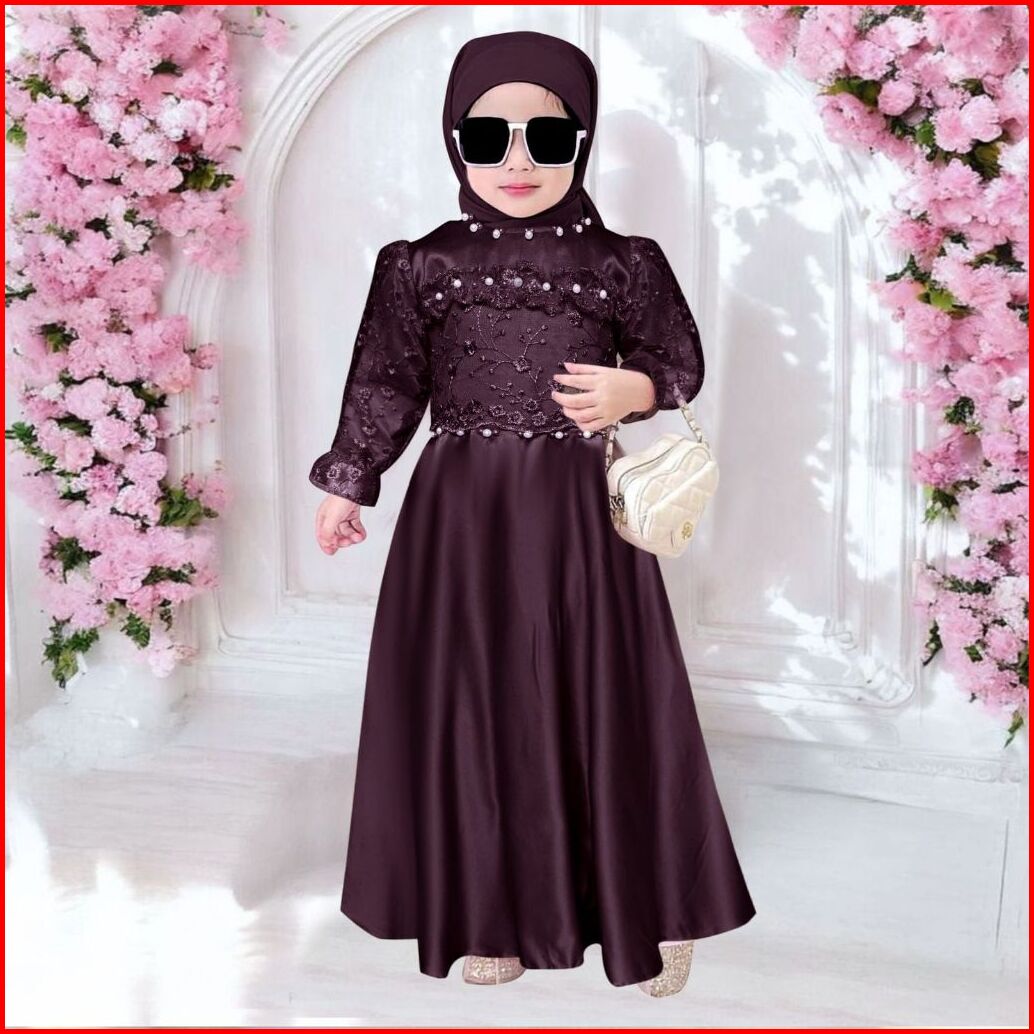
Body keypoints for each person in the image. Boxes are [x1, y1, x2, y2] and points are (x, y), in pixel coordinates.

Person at [310, 29, 756, 997]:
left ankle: (656, 909)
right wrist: (350, 478)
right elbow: (385, 381)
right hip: (459, 519)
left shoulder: (622, 261)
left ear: (580, 142)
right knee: (475, 703)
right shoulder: (420, 264)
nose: (517, 160)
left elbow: (676, 358)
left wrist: (639, 389)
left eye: (545, 139)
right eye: (489, 137)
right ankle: (489, 910)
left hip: (580, 517)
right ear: (455, 142)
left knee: (613, 698)